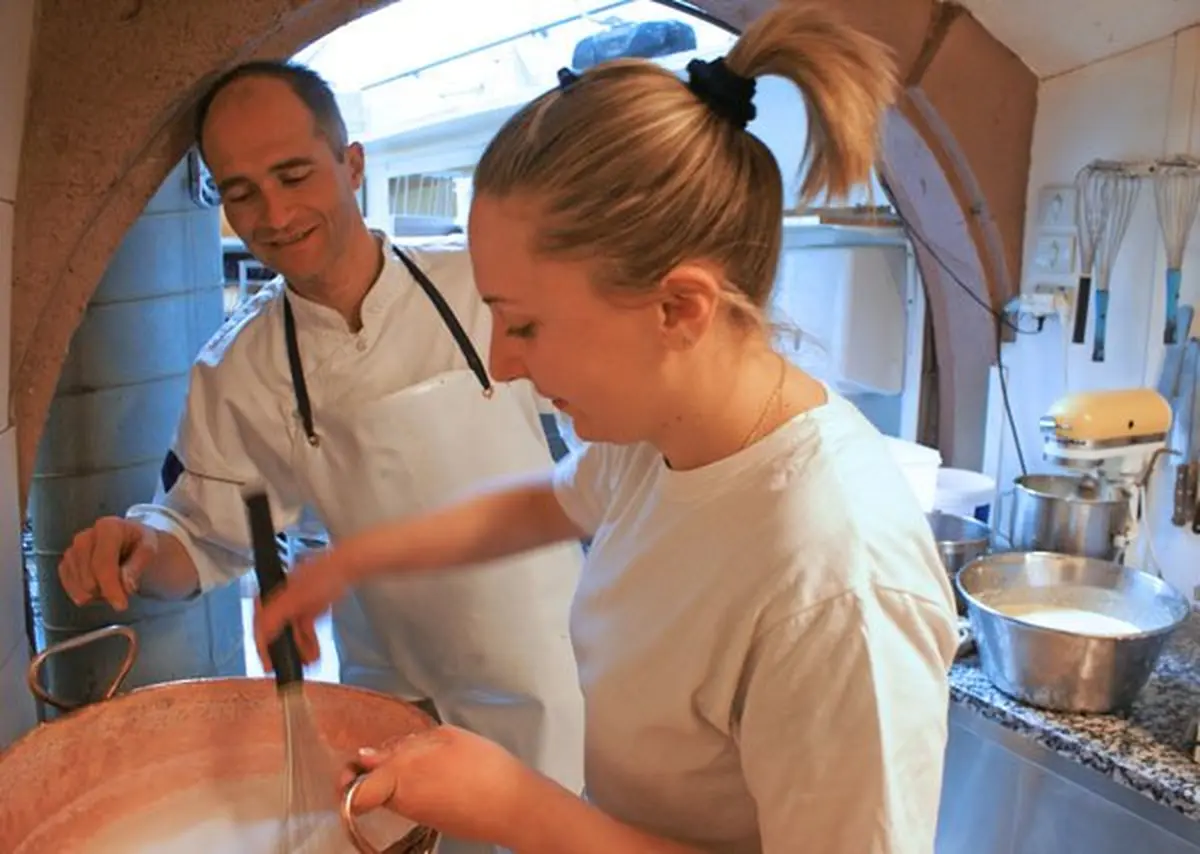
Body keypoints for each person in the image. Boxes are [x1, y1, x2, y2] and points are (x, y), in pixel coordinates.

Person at [256, 4, 960, 853]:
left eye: (523, 325)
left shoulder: (837, 584)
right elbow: (541, 506)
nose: (504, 365)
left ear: (678, 307)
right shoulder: (659, 437)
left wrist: (521, 809)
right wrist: (347, 563)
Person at [56, 60, 587, 854]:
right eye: (240, 192)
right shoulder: (239, 369)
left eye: (294, 174)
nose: (271, 214)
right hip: (389, 685)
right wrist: (140, 549)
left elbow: (611, 436)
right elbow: (199, 542)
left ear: (353, 164)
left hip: (540, 666)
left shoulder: (482, 286)